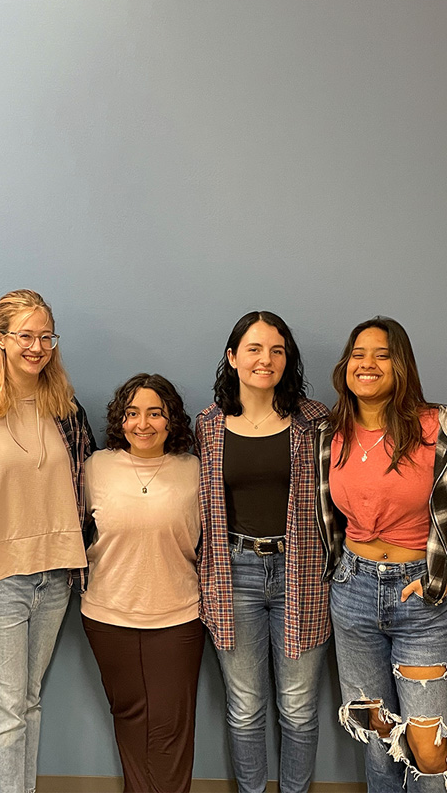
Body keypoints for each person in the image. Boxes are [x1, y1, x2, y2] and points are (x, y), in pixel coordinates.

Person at [0, 289, 95, 793]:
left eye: (45, 336)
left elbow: (87, 481)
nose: (37, 346)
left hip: (55, 576)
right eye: (24, 335)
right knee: (6, 712)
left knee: (28, 702)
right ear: (0, 339)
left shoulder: (64, 407)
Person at [196, 311, 330, 793]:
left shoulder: (314, 421)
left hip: (303, 572)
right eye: (253, 349)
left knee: (298, 706)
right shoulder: (209, 425)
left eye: (276, 350)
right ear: (232, 357)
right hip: (235, 573)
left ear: (287, 357)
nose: (265, 359)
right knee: (245, 706)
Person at [315, 317, 447, 792]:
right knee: (379, 732)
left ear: (402, 366)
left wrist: (441, 574)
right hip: (352, 591)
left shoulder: (439, 425)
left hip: (422, 598)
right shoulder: (330, 433)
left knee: (428, 747)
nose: (367, 364)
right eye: (358, 354)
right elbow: (328, 515)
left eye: (382, 354)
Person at [81, 373, 204, 793]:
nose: (143, 424)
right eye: (132, 414)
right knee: (129, 717)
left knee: (171, 726)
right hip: (108, 616)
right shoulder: (94, 468)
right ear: (121, 419)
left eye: (155, 413)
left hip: (179, 618)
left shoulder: (195, 471)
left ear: (171, 420)